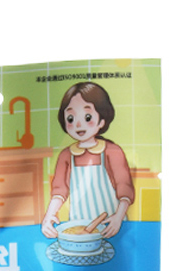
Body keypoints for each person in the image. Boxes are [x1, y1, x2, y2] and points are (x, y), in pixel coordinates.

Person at [41, 82, 135, 239]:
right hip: (78, 225)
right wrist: (48, 216)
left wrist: (118, 218)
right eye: (71, 118)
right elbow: (59, 191)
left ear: (102, 120)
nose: (78, 124)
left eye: (87, 117)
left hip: (111, 225)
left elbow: (124, 186)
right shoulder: (66, 155)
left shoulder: (112, 151)